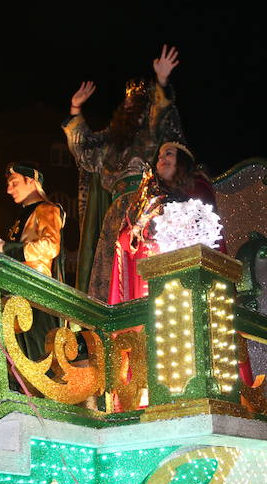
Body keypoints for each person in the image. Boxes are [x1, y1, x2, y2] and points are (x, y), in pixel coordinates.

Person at [63, 44, 185, 300]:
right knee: (110, 273)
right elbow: (85, 154)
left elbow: (162, 117)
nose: (132, 108)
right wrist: (76, 110)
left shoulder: (151, 135)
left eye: (139, 103)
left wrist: (162, 81)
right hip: (114, 213)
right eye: (128, 104)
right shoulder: (111, 143)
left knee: (143, 269)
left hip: (146, 208)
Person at [107, 140, 220, 304]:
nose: (162, 159)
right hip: (146, 274)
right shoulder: (147, 196)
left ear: (182, 161)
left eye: (169, 154)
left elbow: (203, 232)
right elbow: (126, 238)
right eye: (159, 157)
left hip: (181, 273)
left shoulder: (198, 188)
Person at [0, 164, 65, 359]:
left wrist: (6, 249)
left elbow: (50, 246)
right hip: (14, 291)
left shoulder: (46, 209)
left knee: (36, 353)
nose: (9, 190)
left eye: (14, 183)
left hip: (35, 290)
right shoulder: (21, 216)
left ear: (31, 181)